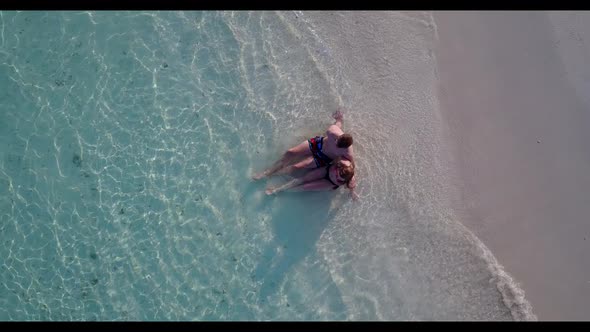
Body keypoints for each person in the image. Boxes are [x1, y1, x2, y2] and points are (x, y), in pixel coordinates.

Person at [252, 109, 354, 178]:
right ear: (339, 137)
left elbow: (351, 165)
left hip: (324, 157)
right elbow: (338, 124)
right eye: (336, 141)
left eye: (338, 146)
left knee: (297, 166)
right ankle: (268, 172)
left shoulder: (348, 152)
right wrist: (339, 118)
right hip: (318, 144)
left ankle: (275, 175)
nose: (335, 144)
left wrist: (350, 179)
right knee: (290, 152)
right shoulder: (332, 131)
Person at [265, 157, 355, 196]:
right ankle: (277, 186)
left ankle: (279, 191)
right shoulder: (345, 163)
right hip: (326, 170)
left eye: (340, 176)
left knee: (306, 187)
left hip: (330, 183)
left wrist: (352, 193)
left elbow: (351, 187)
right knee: (303, 179)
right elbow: (337, 157)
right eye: (339, 172)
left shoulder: (350, 180)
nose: (338, 174)